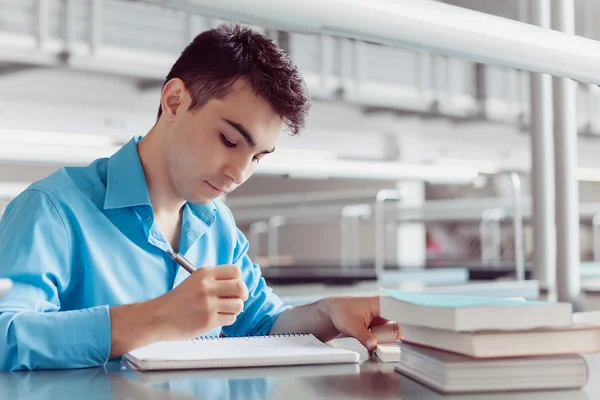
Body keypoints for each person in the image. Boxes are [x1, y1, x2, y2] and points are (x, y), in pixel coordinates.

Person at [0, 24, 395, 371]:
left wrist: (328, 312)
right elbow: (6, 336)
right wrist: (156, 319)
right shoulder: (52, 210)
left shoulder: (216, 224)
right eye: (229, 140)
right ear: (175, 101)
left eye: (256, 156)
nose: (239, 173)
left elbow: (261, 325)